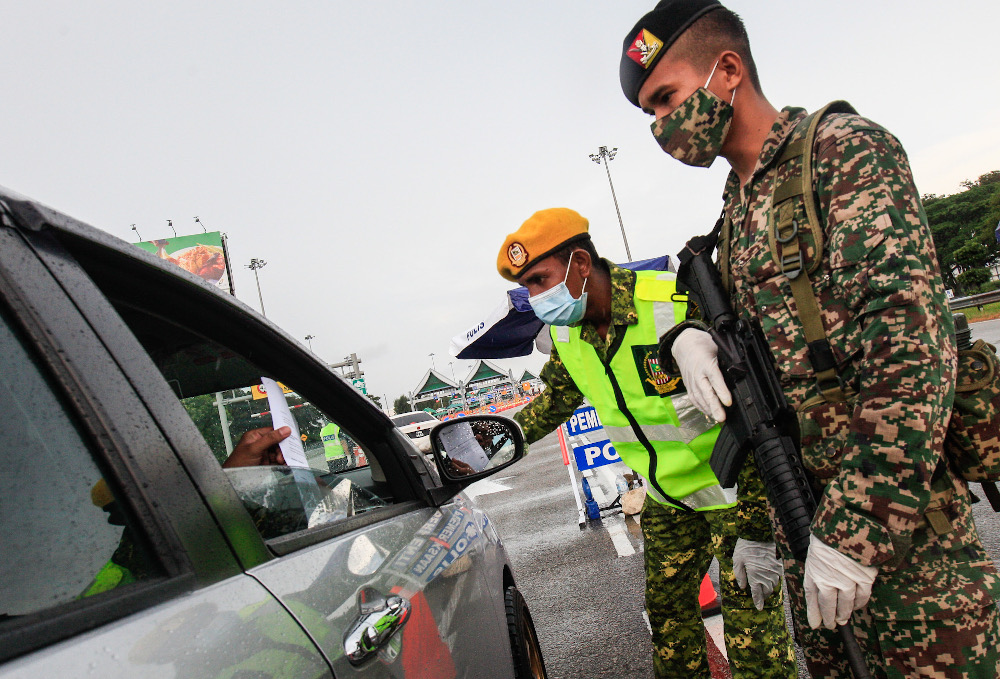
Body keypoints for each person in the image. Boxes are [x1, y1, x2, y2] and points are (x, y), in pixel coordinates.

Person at [618, 2, 1000, 676]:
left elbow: (912, 354)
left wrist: (853, 532)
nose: (660, 127)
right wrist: (690, 335)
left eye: (667, 99)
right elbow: (761, 370)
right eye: (650, 113)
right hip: (813, 552)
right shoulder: (736, 213)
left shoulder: (842, 152)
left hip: (911, 561)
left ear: (727, 70)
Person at [501, 207, 795, 678]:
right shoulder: (566, 334)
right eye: (528, 286)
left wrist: (761, 530)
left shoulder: (675, 300)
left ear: (580, 263)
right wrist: (492, 444)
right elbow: (553, 402)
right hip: (666, 501)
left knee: (753, 638)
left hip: (735, 497)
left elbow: (756, 410)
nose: (534, 297)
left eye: (540, 279)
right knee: (670, 624)